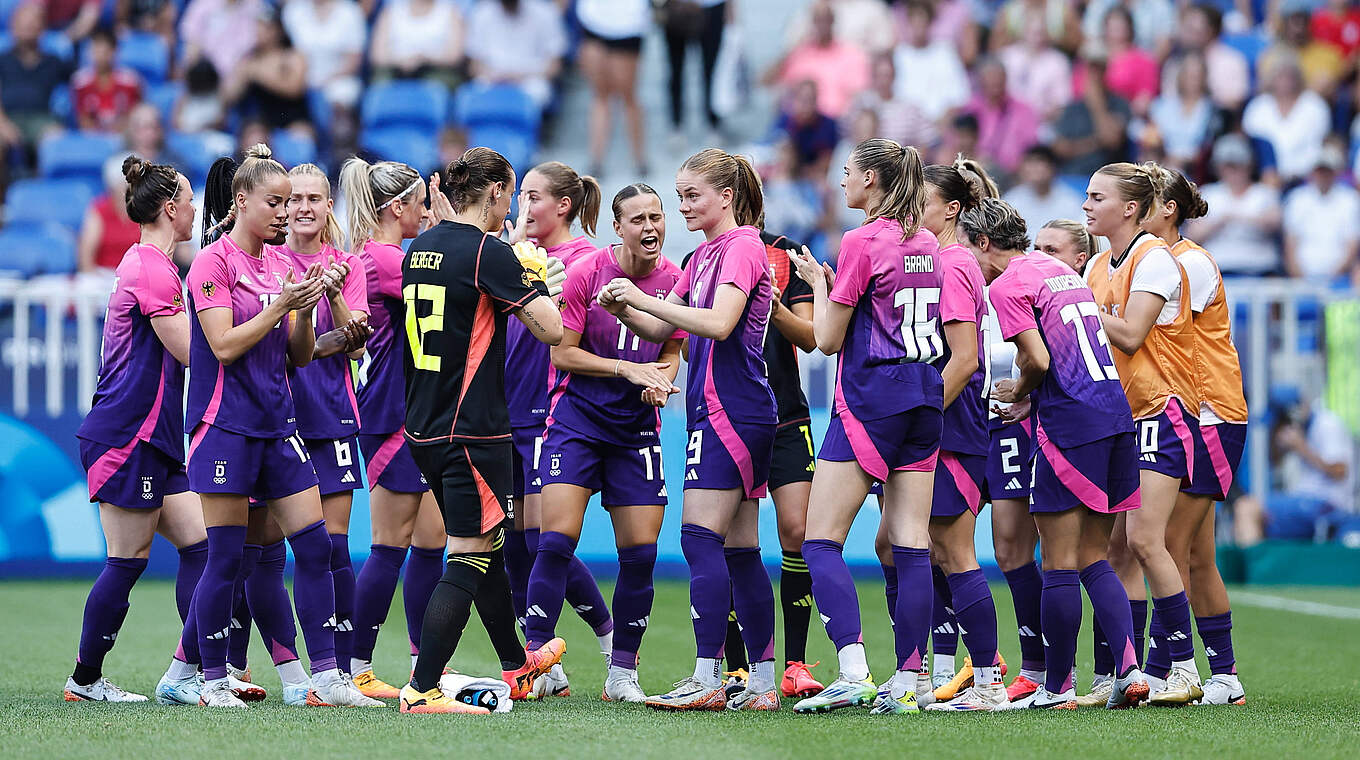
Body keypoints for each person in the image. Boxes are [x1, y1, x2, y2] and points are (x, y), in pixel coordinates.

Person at [157, 145, 371, 708]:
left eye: (290, 203)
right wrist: (280, 308)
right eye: (274, 203)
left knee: (317, 546)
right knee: (227, 559)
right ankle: (208, 681)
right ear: (242, 200)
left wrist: (305, 306)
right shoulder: (212, 263)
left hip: (280, 428)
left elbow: (298, 356)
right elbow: (223, 346)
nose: (283, 213)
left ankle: (325, 678)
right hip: (223, 427)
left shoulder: (279, 265)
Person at [599, 148, 779, 712]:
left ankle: (709, 675)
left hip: (734, 409)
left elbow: (720, 324)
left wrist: (640, 298)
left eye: (691, 195)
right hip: (720, 409)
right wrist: (623, 308)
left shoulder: (744, 248)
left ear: (726, 196)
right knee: (742, 548)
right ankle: (761, 683)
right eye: (679, 196)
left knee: (699, 538)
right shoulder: (704, 256)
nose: (682, 207)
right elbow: (657, 324)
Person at [396, 146, 567, 714]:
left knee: (487, 544)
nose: (513, 203)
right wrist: (535, 275)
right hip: (470, 428)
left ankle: (517, 668)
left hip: (424, 423)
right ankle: (421, 690)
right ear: (494, 192)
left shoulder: (422, 246)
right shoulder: (487, 253)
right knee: (469, 550)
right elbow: (551, 329)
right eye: (511, 192)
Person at [971, 197, 1149, 710]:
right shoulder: (1055, 269)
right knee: (1095, 557)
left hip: (1070, 425)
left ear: (984, 243)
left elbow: (1039, 358)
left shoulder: (1006, 285)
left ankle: (1056, 687)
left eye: (967, 246)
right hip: (1113, 415)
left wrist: (1018, 392)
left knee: (1059, 563)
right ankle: (1130, 671)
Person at [786, 138, 943, 716]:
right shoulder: (925, 240)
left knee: (818, 539)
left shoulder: (860, 240)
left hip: (873, 399)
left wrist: (817, 285)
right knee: (911, 542)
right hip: (926, 396)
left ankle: (852, 669)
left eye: (848, 171)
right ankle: (910, 679)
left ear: (872, 179)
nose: (842, 180)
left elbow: (826, 341)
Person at [522, 183, 683, 703]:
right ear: (618, 228)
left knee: (640, 554)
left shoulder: (674, 279)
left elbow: (672, 352)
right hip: (577, 422)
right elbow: (561, 355)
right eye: (638, 219)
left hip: (635, 430)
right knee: (554, 541)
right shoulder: (590, 271)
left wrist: (659, 380)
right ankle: (536, 661)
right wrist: (626, 369)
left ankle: (622, 674)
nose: (651, 227)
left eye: (657, 216)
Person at [65, 155, 204, 703]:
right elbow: (192, 350)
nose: (195, 209)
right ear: (171, 209)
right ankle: (85, 680)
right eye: (190, 200)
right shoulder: (149, 266)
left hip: (155, 438)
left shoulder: (159, 265)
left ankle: (187, 673)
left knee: (207, 548)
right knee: (127, 561)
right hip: (127, 436)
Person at [1083, 162, 1203, 706]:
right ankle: (1126, 673)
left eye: (1096, 196)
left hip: (1164, 408)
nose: (1086, 206)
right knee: (1114, 549)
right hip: (1120, 414)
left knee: (1144, 539)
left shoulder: (1154, 259)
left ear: (1129, 208)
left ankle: (1183, 667)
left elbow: (1129, 335)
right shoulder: (1096, 265)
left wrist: (1076, 305)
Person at [500, 160, 613, 699]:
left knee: (544, 538)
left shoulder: (586, 260)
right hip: (507, 408)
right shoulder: (512, 255)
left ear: (563, 205)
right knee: (513, 544)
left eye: (534, 197)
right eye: (521, 196)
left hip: (551, 409)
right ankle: (543, 661)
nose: (524, 207)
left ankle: (610, 639)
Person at [1138, 167, 1248, 706]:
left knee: (1166, 544)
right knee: (1196, 552)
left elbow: (1149, 327)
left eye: (1147, 200)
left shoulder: (1188, 264)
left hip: (1208, 412)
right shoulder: (1152, 262)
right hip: (1188, 412)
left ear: (1169, 210)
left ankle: (1165, 670)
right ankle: (1223, 675)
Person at [701, 220, 823, 701]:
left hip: (787, 413)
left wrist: (767, 306)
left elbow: (811, 335)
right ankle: (737, 668)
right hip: (730, 414)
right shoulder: (702, 260)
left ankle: (794, 663)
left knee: (797, 530)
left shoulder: (786, 252)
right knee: (730, 537)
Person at [341, 157, 448, 700]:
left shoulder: (389, 256)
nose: (426, 212)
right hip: (393, 413)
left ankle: (421, 664)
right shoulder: (383, 260)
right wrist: (451, 235)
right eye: (420, 203)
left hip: (417, 411)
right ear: (397, 207)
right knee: (391, 543)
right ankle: (355, 666)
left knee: (431, 542)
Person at [275, 162, 375, 697]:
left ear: (329, 205)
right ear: (283, 206)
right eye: (295, 199)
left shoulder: (346, 264)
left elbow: (355, 340)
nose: (305, 207)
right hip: (277, 419)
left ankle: (337, 669)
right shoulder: (268, 260)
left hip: (331, 415)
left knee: (334, 549)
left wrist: (333, 298)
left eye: (315, 198)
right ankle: (247, 667)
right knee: (260, 552)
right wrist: (322, 337)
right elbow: (285, 346)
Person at [991, 216, 1098, 705]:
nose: (1043, 253)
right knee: (1002, 548)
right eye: (1039, 245)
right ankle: (1027, 667)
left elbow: (1039, 357)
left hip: (1028, 415)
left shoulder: (1025, 277)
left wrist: (1026, 393)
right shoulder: (946, 260)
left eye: (1053, 247)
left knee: (1046, 551)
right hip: (985, 411)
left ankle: (1055, 671)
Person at [912, 158, 1006, 711]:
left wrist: (923, 414)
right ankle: (918, 675)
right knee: (900, 545)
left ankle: (988, 681)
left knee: (953, 548)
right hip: (940, 422)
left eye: (919, 203)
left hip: (951, 425)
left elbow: (964, 359)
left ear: (952, 210)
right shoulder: (936, 259)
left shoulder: (953, 263)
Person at [1187, 134, 1282, 277]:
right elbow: (1193, 234)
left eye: (1238, 165)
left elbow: (1275, 222)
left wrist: (1239, 217)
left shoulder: (1263, 193)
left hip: (1260, 268)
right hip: (1221, 268)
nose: (1233, 172)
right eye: (1228, 166)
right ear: (1218, 168)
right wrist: (1221, 221)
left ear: (1249, 166)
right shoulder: (1209, 193)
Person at [576, 0, 649, 177]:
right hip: (594, 21)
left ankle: (640, 159)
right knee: (600, 94)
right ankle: (596, 160)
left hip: (627, 24)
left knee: (628, 95)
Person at [766, 1, 870, 121]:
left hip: (837, 123)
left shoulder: (852, 55)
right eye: (818, 20)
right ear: (812, 22)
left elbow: (857, 96)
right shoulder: (800, 54)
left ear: (833, 21)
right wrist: (791, 46)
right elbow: (767, 82)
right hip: (803, 123)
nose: (822, 24)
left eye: (825, 19)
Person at [1243, 56, 1331, 185]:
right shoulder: (1258, 106)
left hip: (1305, 179)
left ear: (1298, 78)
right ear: (1271, 79)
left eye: (1290, 77)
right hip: (1264, 179)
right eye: (1280, 76)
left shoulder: (1315, 105)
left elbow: (1319, 145)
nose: (1285, 82)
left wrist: (1296, 173)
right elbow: (1252, 144)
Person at [464, 0, 567, 109]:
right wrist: (497, 76)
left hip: (531, 80)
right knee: (474, 93)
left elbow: (555, 66)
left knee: (538, 92)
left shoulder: (545, 12)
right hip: (492, 79)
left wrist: (519, 76)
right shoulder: (482, 12)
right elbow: (474, 66)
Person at [219, 11, 310, 133]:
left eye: (265, 27)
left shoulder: (292, 56)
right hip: (258, 123)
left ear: (278, 30)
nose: (259, 31)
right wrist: (241, 78)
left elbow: (295, 88)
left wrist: (257, 74)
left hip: (292, 121)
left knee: (302, 136)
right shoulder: (248, 57)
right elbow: (228, 97)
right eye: (258, 26)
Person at [1282, 145, 1360, 285]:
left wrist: (1334, 277)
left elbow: (1352, 244)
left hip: (1340, 279)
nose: (1323, 176)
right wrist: (1299, 277)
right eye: (1320, 171)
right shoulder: (1297, 199)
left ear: (1335, 172)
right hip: (1302, 278)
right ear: (1313, 172)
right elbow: (1290, 243)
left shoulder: (1350, 200)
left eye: (1327, 171)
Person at [281, 0, 366, 117]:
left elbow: (354, 60)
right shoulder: (293, 10)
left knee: (343, 93)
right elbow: (286, 51)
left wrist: (324, 81)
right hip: (300, 78)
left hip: (338, 78)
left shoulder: (349, 11)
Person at [961, 57, 1039, 176]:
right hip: (975, 172)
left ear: (1005, 79)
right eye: (989, 79)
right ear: (980, 81)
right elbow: (960, 144)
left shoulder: (1023, 110)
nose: (994, 83)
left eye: (998, 79)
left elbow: (1031, 148)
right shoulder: (970, 109)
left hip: (1012, 174)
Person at [891, 1, 969, 121]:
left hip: (942, 123)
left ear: (930, 22)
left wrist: (943, 120)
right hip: (908, 124)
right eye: (915, 20)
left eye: (922, 20)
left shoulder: (945, 52)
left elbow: (959, 94)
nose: (919, 26)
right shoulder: (900, 55)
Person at [661, 0, 728, 137]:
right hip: (676, 6)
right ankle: (676, 124)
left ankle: (713, 123)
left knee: (712, 71)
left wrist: (731, 8)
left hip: (712, 7)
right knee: (676, 70)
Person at [369, 0, 464, 85]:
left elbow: (454, 57)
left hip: (435, 70)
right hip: (395, 70)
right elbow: (378, 56)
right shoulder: (391, 11)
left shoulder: (449, 11)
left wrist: (424, 59)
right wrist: (402, 61)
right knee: (381, 80)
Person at [79, 153, 144, 273]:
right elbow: (86, 253)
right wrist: (90, 276)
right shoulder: (100, 209)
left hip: (139, 274)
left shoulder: (147, 208)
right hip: (104, 276)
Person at [72, 26, 142, 133]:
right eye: (96, 50)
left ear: (114, 52)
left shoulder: (130, 82)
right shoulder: (81, 83)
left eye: (105, 51)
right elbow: (83, 120)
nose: (100, 56)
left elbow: (133, 116)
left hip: (122, 137)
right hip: (93, 138)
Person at [1004, 146, 1083, 235]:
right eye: (1029, 163)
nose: (1033, 169)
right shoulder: (1011, 200)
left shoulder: (1070, 201)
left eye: (1038, 163)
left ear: (1052, 167)